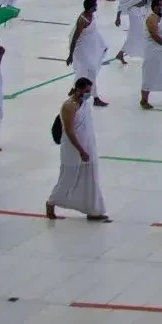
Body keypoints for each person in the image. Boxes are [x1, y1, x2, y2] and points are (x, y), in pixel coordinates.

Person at [45, 78, 109, 221]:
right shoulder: (69, 106)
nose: (88, 94)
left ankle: (93, 210)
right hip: (73, 149)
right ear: (78, 89)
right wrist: (80, 150)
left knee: (90, 178)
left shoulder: (84, 103)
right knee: (68, 178)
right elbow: (69, 131)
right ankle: (51, 204)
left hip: (88, 146)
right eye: (86, 91)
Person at [66, 0, 109, 107]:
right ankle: (95, 98)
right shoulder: (82, 20)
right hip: (80, 49)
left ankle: (75, 89)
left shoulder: (91, 15)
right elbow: (75, 38)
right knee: (92, 70)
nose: (97, 6)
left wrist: (101, 44)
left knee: (85, 70)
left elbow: (93, 31)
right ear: (91, 8)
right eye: (95, 5)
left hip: (89, 45)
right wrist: (70, 55)